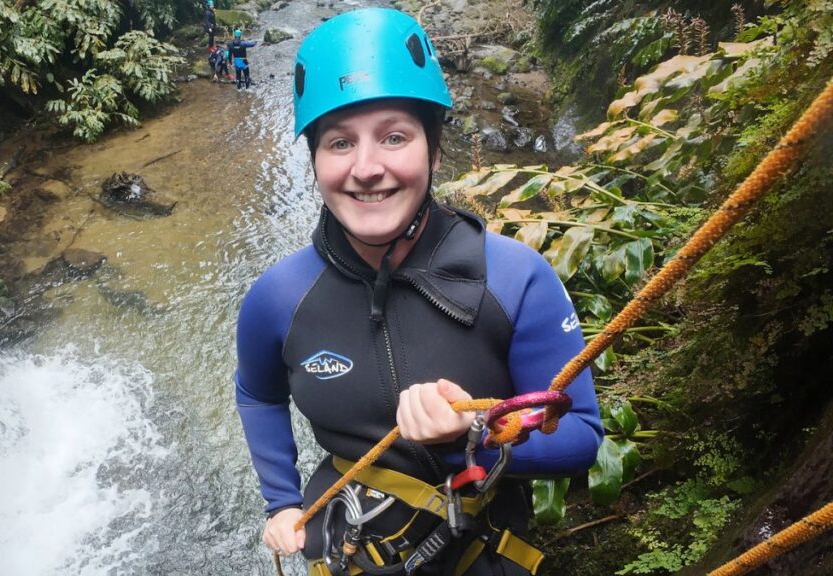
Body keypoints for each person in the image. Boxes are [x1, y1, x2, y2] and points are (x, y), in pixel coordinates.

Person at [234, 8, 603, 576]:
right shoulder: (278, 299)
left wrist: (472, 434)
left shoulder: (513, 279)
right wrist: (281, 499)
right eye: (338, 143)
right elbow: (259, 395)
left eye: (394, 137)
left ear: (434, 151)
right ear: (313, 162)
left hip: (482, 553)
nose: (366, 167)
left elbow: (580, 435)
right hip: (351, 548)